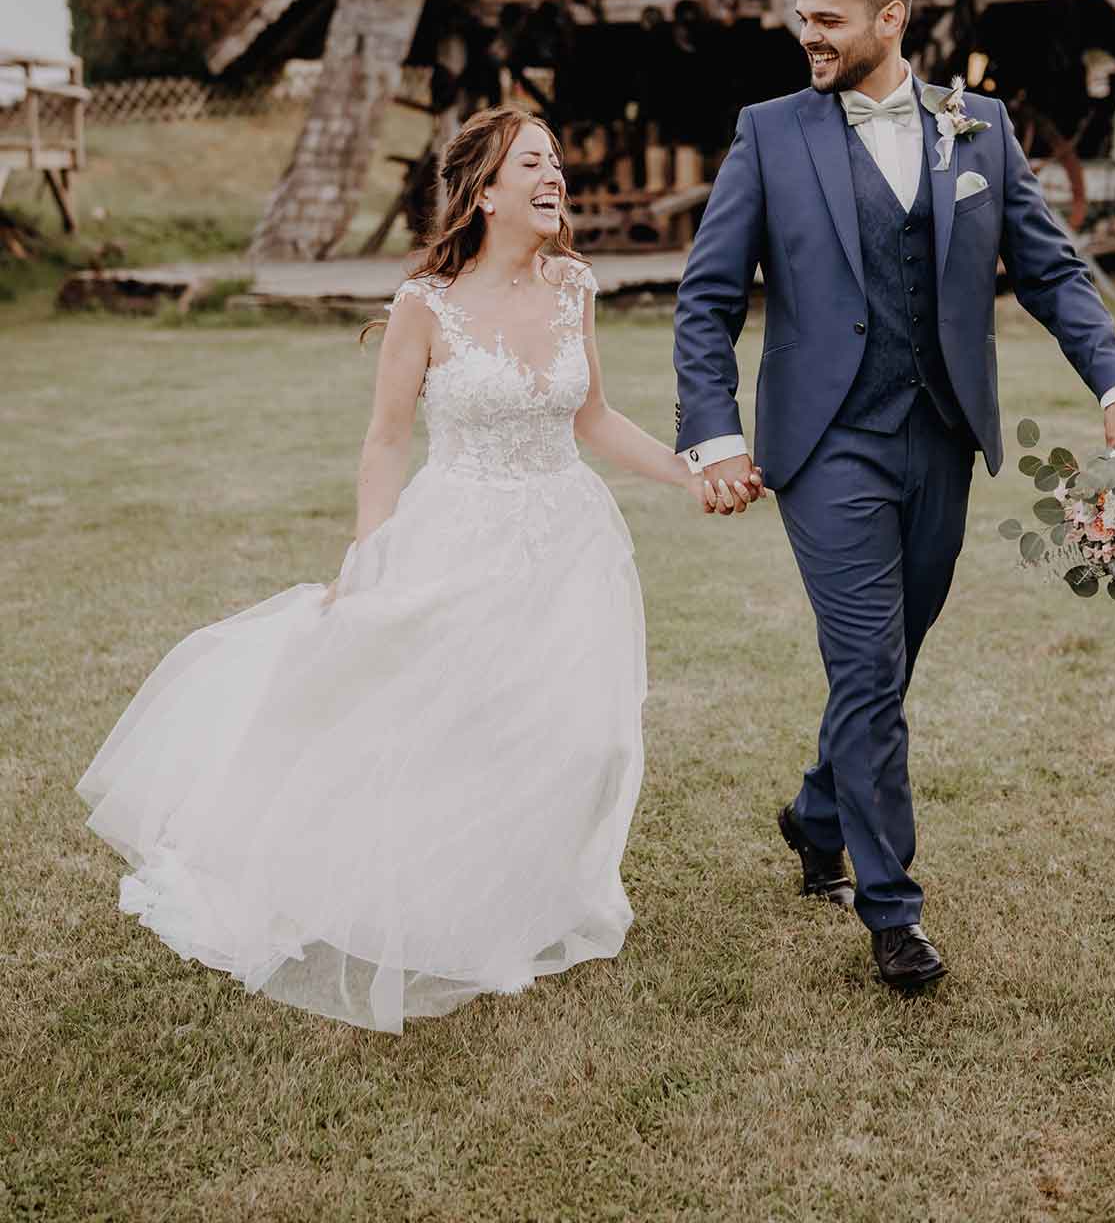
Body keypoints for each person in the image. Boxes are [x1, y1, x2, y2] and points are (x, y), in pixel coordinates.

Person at [78, 108, 734, 1034]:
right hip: (458, 531)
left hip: (568, 539)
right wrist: (367, 555)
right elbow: (386, 441)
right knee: (443, 728)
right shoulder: (427, 306)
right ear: (484, 192)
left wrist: (690, 471)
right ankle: (414, 902)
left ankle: (523, 903)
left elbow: (592, 418)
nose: (555, 177)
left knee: (581, 739)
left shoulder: (572, 287)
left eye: (557, 162)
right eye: (533, 164)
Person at [673, 0, 1115, 992]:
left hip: (939, 435)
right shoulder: (766, 134)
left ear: (891, 20)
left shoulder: (973, 125)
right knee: (865, 664)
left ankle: (813, 814)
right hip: (823, 442)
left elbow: (1050, 270)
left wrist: (1114, 388)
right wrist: (712, 433)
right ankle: (891, 913)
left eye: (827, 19)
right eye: (800, 18)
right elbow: (706, 299)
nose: (807, 35)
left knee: (887, 666)